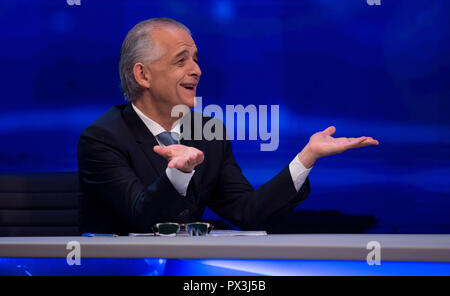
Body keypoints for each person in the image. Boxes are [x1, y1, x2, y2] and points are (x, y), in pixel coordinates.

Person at [77, 18, 379, 235]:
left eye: (195, 59)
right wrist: (178, 172)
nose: (196, 70)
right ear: (143, 75)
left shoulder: (208, 133)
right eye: (181, 61)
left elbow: (250, 214)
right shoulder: (102, 138)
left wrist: (307, 158)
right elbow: (143, 221)